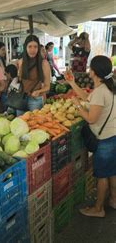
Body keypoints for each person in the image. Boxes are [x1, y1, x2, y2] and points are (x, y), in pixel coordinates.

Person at [64, 55, 116, 218]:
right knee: (112, 171)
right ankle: (114, 200)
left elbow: (91, 118)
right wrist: (72, 82)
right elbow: (88, 98)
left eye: (90, 68)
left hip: (105, 140)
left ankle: (98, 208)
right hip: (113, 135)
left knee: (101, 176)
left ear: (94, 71)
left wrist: (77, 106)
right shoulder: (110, 86)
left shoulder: (101, 91)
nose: (88, 70)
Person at [13, 35, 51, 115]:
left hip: (36, 100)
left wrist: (39, 91)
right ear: (25, 48)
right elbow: (20, 81)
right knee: (20, 124)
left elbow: (47, 86)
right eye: (30, 46)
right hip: (21, 98)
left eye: (35, 47)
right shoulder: (20, 62)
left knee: (35, 125)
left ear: (38, 48)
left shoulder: (44, 63)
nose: (32, 50)